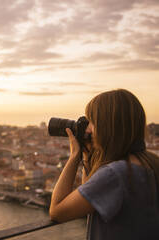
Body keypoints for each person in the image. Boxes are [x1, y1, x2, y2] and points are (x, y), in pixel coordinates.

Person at [49, 89, 159, 239]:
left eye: (92, 122)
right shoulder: (150, 163)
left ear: (107, 127)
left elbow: (57, 212)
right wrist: (87, 157)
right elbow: (89, 199)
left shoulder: (115, 174)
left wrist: (75, 156)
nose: (88, 129)